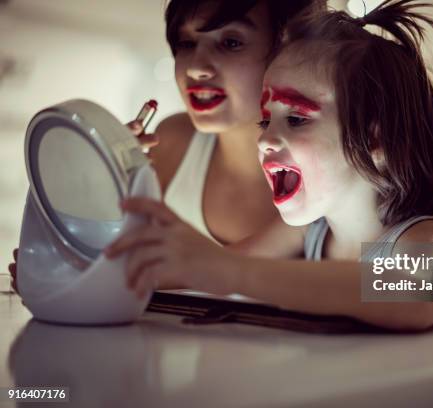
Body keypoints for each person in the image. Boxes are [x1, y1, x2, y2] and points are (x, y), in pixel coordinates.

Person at [105, 0, 433, 331]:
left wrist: (227, 271)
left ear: (375, 139)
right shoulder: (308, 231)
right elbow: (193, 269)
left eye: (297, 119)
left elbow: (410, 295)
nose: (265, 139)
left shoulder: (430, 240)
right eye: (265, 121)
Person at [8, 0, 324, 292]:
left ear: (288, 45)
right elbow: (120, 267)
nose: (196, 67)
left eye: (230, 42)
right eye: (186, 43)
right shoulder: (172, 141)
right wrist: (100, 187)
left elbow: (375, 286)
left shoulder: (338, 168)